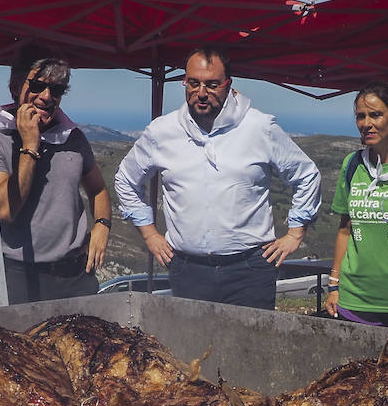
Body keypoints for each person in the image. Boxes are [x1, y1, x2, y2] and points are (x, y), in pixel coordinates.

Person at [114, 46, 321, 310]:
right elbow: (125, 179)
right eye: (193, 83)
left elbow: (306, 175)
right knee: (193, 348)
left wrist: (294, 234)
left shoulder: (259, 128)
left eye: (212, 85)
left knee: (251, 347)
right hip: (188, 270)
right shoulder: (162, 131)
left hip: (250, 270)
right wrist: (150, 234)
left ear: (227, 84)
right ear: (184, 82)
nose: (201, 93)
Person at [0, 43, 111, 304]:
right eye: (36, 86)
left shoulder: (73, 137)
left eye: (56, 90)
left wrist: (102, 226)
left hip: (76, 275)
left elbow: (98, 189)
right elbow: (5, 209)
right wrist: (30, 146)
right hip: (22, 278)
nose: (46, 96)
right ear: (15, 86)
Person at [323, 81, 388, 327]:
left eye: (375, 115)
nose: (366, 124)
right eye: (360, 116)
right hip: (354, 300)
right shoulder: (352, 164)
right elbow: (345, 229)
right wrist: (334, 285)